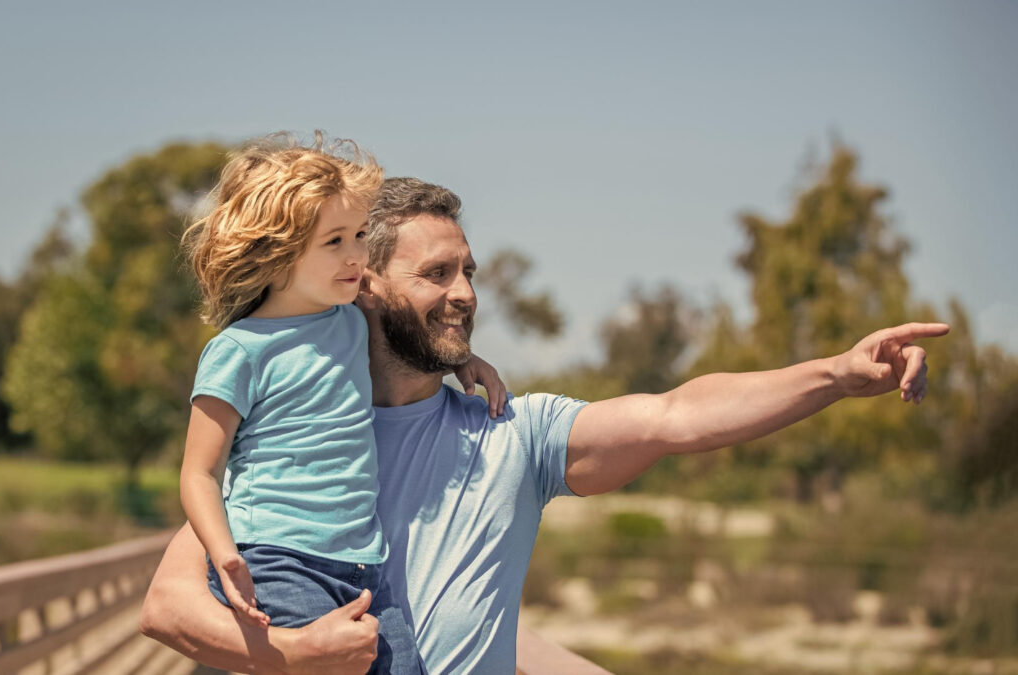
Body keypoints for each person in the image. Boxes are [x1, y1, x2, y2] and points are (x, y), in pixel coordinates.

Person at [142, 176, 948, 674]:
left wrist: (837, 374)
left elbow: (678, 415)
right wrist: (293, 655)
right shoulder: (283, 443)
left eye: (469, 273)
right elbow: (171, 605)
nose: (464, 293)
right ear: (361, 284)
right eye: (436, 273)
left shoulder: (512, 431)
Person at [177, 142, 504, 675]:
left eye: (358, 237)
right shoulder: (238, 351)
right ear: (275, 252)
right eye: (335, 242)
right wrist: (224, 554)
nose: (357, 256)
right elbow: (198, 472)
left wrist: (463, 362)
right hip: (276, 559)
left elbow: (414, 333)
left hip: (361, 563)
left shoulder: (350, 317)